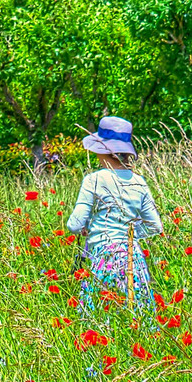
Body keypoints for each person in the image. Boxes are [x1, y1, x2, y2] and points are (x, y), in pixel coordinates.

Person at [65, 116, 164, 304]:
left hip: (104, 257)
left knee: (103, 316)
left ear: (101, 150)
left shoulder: (94, 180)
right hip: (133, 259)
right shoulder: (139, 182)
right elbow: (155, 226)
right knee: (135, 313)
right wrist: (129, 234)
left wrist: (90, 229)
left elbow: (75, 224)